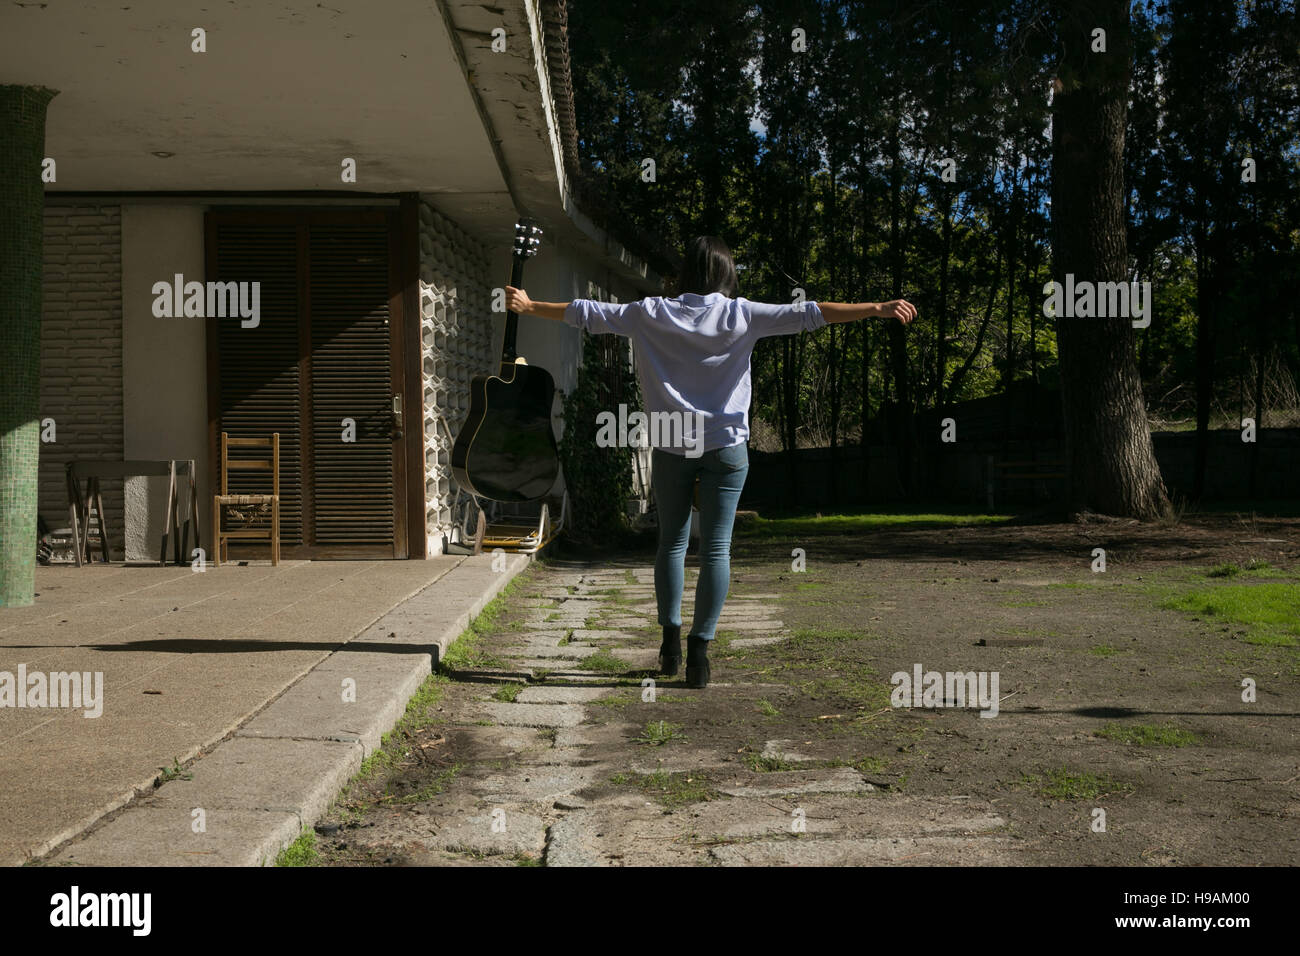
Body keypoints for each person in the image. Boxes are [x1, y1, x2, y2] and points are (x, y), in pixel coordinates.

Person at [505, 235, 916, 688]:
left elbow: (586, 314)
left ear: (686, 273)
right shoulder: (743, 314)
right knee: (716, 549)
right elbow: (810, 313)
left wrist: (529, 305)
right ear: (726, 274)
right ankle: (700, 658)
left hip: (670, 444)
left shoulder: (650, 313)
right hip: (725, 447)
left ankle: (669, 644)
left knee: (672, 544)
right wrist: (875, 307)